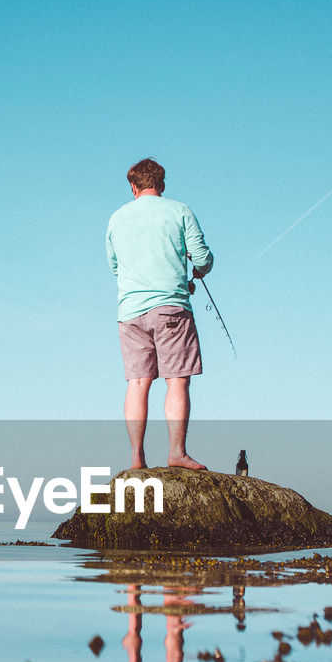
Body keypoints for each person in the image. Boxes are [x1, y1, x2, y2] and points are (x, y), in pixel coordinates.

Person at [106, 158, 215, 470]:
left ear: (133, 186)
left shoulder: (116, 218)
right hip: (170, 308)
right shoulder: (179, 210)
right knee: (176, 381)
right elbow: (203, 259)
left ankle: (136, 458)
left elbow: (114, 267)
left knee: (138, 383)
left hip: (129, 312)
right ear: (162, 184)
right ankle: (176, 453)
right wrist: (195, 271)